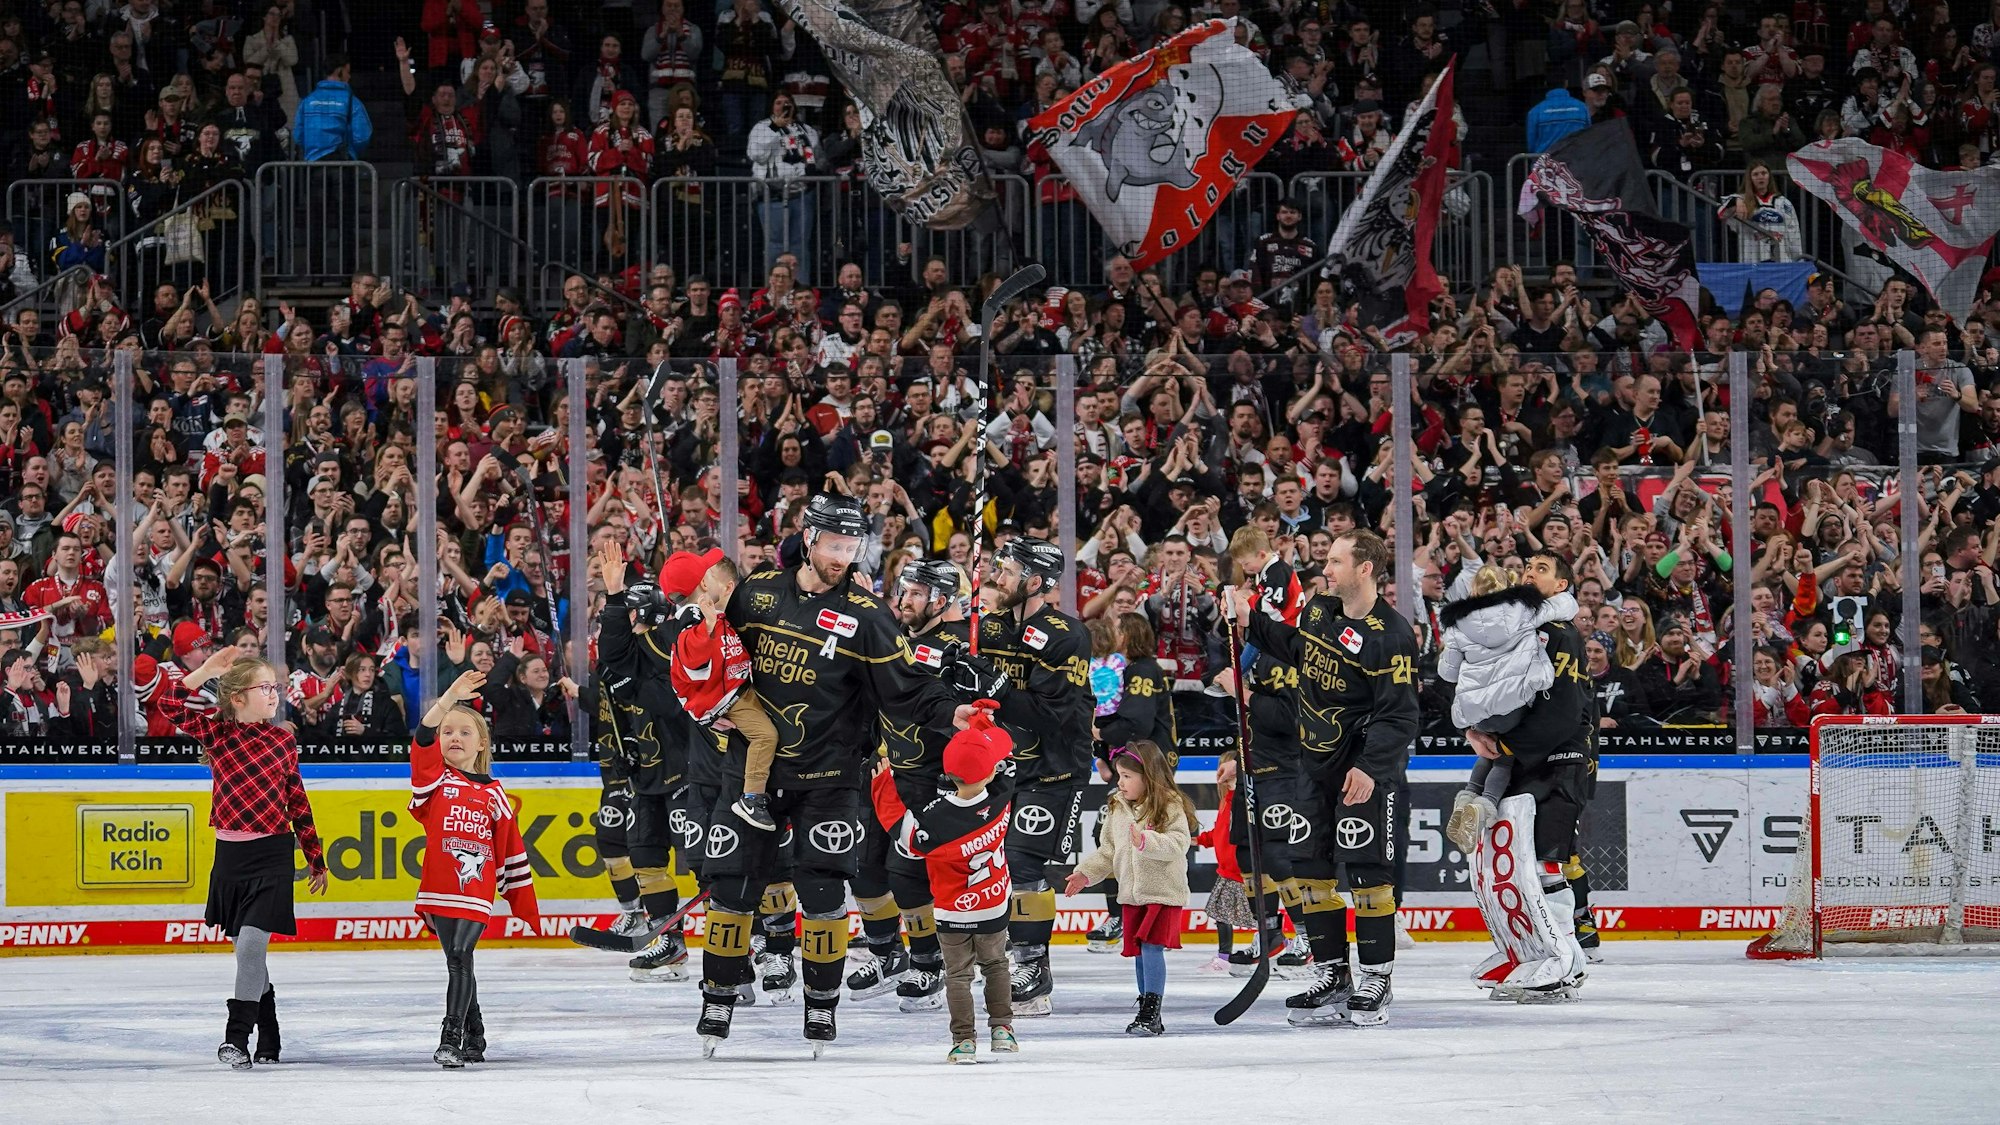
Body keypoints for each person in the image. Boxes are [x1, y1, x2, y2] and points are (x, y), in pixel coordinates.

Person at [695, 493, 970, 1057]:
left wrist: (951, 711)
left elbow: (908, 688)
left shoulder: (868, 617)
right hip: (752, 770)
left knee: (822, 896)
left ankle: (821, 1007)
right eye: (835, 545)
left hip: (830, 777)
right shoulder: (758, 593)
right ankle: (717, 997)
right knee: (729, 890)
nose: (844, 557)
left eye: (853, 547)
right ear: (808, 535)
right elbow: (711, 649)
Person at [1240, 528, 1419, 1026]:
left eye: (1337, 561)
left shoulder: (1393, 635)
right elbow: (1297, 648)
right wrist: (1250, 623)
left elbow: (1400, 716)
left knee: (1366, 875)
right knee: (1308, 872)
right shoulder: (1320, 609)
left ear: (1365, 569)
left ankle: (1377, 978)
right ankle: (1333, 972)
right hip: (1312, 767)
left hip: (1361, 771)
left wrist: (1369, 767)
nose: (1326, 569)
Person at [157, 647, 329, 1070]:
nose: (274, 695)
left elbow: (297, 800)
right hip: (231, 858)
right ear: (238, 698)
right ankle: (269, 1035)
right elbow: (166, 703)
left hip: (272, 854)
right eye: (264, 688)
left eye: (276, 687)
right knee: (249, 957)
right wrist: (205, 671)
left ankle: (236, 1039)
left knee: (251, 949)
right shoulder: (219, 733)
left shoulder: (283, 739)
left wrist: (316, 858)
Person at [1463, 550, 1597, 1001]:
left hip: (1562, 761)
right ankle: (1530, 951)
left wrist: (1505, 746)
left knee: (1545, 863)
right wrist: (1475, 728)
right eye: (1526, 566)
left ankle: (1566, 959)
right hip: (1525, 761)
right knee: (1513, 866)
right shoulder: (1520, 634)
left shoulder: (1559, 634)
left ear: (1562, 586)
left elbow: (1563, 711)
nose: (1527, 572)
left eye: (1540, 569)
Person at [848, 558, 975, 1011]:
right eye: (903, 591)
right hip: (884, 772)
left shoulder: (956, 644)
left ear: (942, 601)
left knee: (910, 879)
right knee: (863, 872)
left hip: (931, 780)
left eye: (917, 593)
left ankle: (928, 965)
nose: (905, 600)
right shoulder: (899, 638)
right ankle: (886, 955)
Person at [979, 535, 1093, 1018]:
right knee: (996, 865)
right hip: (1001, 765)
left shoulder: (1068, 634)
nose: (995, 577)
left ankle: (1033, 964)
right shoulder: (986, 626)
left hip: (1054, 765)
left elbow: (1053, 715)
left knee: (1024, 863)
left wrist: (997, 686)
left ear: (1034, 581)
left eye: (1006, 570)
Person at [871, 700, 1019, 1063]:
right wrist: (981, 724)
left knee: (957, 975)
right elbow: (1005, 752)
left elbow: (902, 833)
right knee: (997, 965)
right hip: (995, 903)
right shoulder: (1003, 796)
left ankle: (964, 1041)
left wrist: (881, 782)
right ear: (990, 771)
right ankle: (1002, 1029)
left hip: (953, 911)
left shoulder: (936, 821)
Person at [410, 669, 540, 1068]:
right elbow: (422, 739)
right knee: (457, 958)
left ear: (481, 742)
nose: (453, 738)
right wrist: (448, 696)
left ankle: (451, 1036)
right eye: (449, 731)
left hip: (475, 890)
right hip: (437, 888)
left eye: (465, 732)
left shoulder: (494, 793)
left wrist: (519, 896)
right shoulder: (433, 781)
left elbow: (510, 849)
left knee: (461, 954)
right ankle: (476, 1033)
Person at [591, 538, 699, 981]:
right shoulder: (628, 660)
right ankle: (669, 944)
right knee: (646, 858)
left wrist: (633, 685)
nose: (627, 625)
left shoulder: (674, 644)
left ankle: (754, 942)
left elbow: (674, 703)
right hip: (646, 777)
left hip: (690, 774)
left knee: (711, 863)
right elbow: (614, 656)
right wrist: (614, 598)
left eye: (634, 615)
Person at [1438, 565, 1580, 850]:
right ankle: (1486, 804)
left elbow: (1447, 674)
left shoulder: (1457, 624)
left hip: (1476, 713)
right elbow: (1565, 605)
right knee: (1505, 756)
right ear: (1508, 586)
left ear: (1473, 590)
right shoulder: (1524, 609)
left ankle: (1467, 796)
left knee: (1490, 749)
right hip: (1513, 706)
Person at [1065, 739, 1196, 1037]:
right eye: (1119, 775)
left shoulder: (1169, 804)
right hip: (1131, 894)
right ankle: (1147, 1008)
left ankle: (1152, 1009)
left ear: (1147, 776)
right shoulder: (1117, 807)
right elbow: (1108, 851)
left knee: (1151, 948)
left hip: (1162, 891)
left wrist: (1146, 842)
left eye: (1127, 776)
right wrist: (1085, 874)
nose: (1120, 782)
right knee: (1139, 951)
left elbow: (1178, 844)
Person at [660, 548, 780, 831]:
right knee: (766, 735)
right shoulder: (694, 619)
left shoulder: (701, 613)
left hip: (733, 690)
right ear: (703, 584)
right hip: (728, 698)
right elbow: (694, 666)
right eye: (706, 574)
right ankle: (752, 797)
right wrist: (707, 630)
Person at [296, 53, 373, 160]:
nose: (349, 76)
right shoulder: (352, 101)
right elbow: (362, 136)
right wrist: (351, 152)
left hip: (313, 164)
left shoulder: (307, 101)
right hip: (342, 163)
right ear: (339, 71)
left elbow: (298, 135)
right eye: (348, 72)